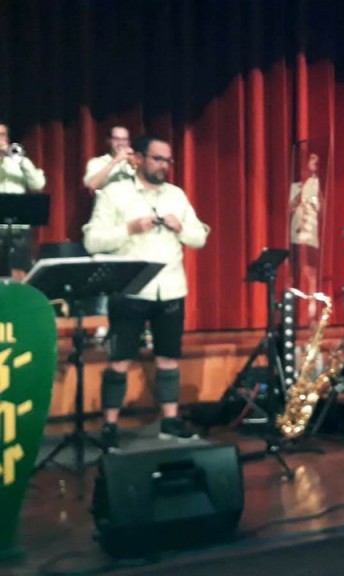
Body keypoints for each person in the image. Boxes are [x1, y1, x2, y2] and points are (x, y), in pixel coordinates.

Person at [83, 135, 210, 449]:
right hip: (130, 290)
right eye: (157, 159)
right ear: (138, 158)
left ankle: (170, 422)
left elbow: (199, 238)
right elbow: (92, 240)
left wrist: (181, 228)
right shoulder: (115, 193)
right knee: (119, 360)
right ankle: (110, 425)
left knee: (168, 358)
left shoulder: (176, 195)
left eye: (168, 160)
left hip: (170, 288)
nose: (164, 165)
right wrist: (129, 228)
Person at [0, 122, 47, 280]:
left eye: (2, 135)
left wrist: (21, 160)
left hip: (18, 228)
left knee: (19, 274)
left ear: (7, 139)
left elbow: (38, 185)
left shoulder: (19, 162)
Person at [290, 152, 321, 322]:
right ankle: (296, 311)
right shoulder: (296, 186)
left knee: (311, 273)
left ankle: (311, 311)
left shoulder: (317, 184)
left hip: (311, 235)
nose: (313, 165)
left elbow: (321, 207)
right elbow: (290, 207)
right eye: (311, 161)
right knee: (298, 271)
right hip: (297, 235)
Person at [83, 126, 135, 194]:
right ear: (109, 141)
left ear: (129, 142)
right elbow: (91, 186)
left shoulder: (133, 161)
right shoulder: (96, 162)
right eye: (116, 139)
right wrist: (116, 160)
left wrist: (135, 164)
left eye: (124, 139)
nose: (121, 143)